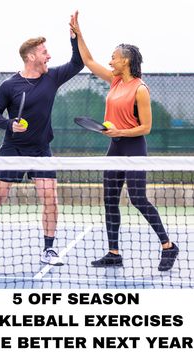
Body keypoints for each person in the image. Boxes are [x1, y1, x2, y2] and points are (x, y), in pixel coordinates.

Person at [0, 28, 84, 266]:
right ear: (31, 57)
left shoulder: (53, 77)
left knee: (50, 198)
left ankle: (49, 250)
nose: (49, 56)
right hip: (12, 150)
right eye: (44, 52)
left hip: (41, 150)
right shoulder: (9, 85)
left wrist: (74, 38)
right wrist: (9, 124)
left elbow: (77, 63)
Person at [70, 11, 179, 271]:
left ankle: (168, 246)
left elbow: (147, 127)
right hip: (114, 147)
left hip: (133, 147)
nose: (110, 61)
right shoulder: (115, 80)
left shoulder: (140, 89)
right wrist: (78, 34)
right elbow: (88, 59)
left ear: (126, 60)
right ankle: (113, 252)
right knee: (110, 198)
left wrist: (120, 131)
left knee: (139, 199)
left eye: (114, 57)